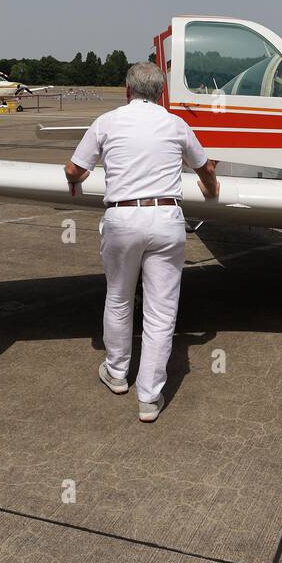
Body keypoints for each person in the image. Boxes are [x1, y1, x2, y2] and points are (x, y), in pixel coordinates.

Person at [64, 63, 219, 423]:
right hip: (166, 218)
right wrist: (211, 190)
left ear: (127, 90)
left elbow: (75, 170)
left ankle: (117, 373)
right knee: (161, 312)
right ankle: (149, 397)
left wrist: (76, 175)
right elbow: (205, 169)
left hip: (122, 218)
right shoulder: (175, 124)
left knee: (118, 297)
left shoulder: (107, 121)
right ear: (161, 94)